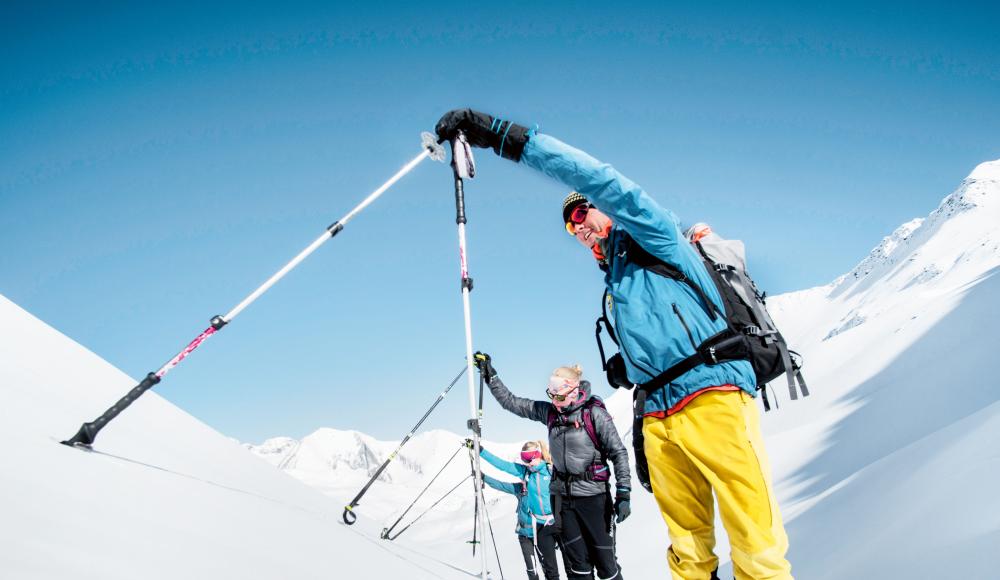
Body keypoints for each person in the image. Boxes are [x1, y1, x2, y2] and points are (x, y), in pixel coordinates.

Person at [437, 110, 792, 580]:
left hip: (713, 397)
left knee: (754, 541)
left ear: (605, 209)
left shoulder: (655, 236)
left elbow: (603, 181)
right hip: (660, 417)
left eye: (583, 213)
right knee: (687, 550)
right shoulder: (615, 286)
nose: (579, 227)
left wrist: (506, 139)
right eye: (570, 226)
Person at [473, 353, 629, 580]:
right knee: (578, 568)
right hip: (564, 502)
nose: (555, 402)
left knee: (606, 566)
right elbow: (513, 403)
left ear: (574, 391)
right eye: (551, 396)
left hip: (594, 499)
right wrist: (491, 377)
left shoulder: (594, 414)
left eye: (559, 397)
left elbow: (618, 452)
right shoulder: (550, 413)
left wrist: (624, 492)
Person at [474, 440, 561, 580]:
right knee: (534, 570)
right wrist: (481, 451)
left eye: (528, 459)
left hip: (550, 527)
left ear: (537, 455)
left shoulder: (551, 471)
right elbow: (502, 465)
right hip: (532, 531)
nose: (526, 463)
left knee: (552, 568)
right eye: (523, 459)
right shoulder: (525, 473)